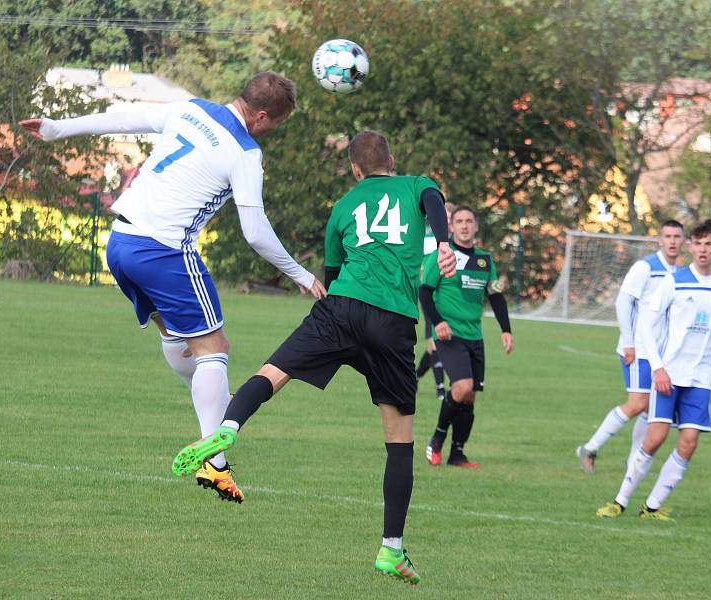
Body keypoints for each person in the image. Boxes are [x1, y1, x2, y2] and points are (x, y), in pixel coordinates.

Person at [20, 72, 325, 504]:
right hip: (164, 252)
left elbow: (124, 118)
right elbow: (255, 231)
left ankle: (214, 412)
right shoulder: (245, 151)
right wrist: (300, 274)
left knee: (182, 342)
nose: (270, 132)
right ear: (260, 116)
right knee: (214, 348)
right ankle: (215, 462)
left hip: (121, 243)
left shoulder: (191, 109)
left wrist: (57, 128)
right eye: (274, 124)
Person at [170, 131, 456, 584]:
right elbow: (433, 197)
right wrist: (442, 242)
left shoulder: (342, 208)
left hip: (340, 308)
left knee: (273, 370)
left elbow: (333, 272)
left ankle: (226, 430)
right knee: (399, 438)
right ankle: (391, 550)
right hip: (393, 322)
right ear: (392, 160)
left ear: (356, 170)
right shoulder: (414, 185)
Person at [596, 220, 711, 520]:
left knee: (690, 440)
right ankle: (620, 500)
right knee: (655, 438)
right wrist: (658, 369)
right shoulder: (675, 281)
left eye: (709, 244)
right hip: (668, 373)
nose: (703, 249)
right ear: (689, 247)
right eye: (698, 243)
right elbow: (646, 324)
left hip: (700, 377)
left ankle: (651, 507)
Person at [576, 220, 686, 474]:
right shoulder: (645, 267)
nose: (671, 241)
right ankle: (590, 448)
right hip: (639, 349)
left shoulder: (680, 274)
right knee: (639, 402)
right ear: (659, 239)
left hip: (662, 353)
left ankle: (633, 463)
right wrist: (628, 343)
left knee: (650, 408)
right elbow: (623, 303)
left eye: (676, 236)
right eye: (667, 236)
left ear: (683, 242)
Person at [420, 206, 513, 469]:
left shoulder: (485, 260)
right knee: (462, 387)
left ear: (475, 227)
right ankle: (437, 438)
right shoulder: (442, 255)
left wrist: (506, 329)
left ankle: (457, 454)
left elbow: (495, 295)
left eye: (468, 221)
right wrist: (437, 323)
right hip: (449, 334)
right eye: (458, 221)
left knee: (470, 396)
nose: (463, 225)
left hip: (475, 335)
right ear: (450, 227)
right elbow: (425, 292)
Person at [415, 202, 455, 401]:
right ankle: (440, 389)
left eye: (450, 218)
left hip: (450, 299)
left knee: (436, 344)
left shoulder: (458, 243)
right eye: (444, 217)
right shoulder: (429, 239)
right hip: (431, 295)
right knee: (434, 343)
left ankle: (415, 377)